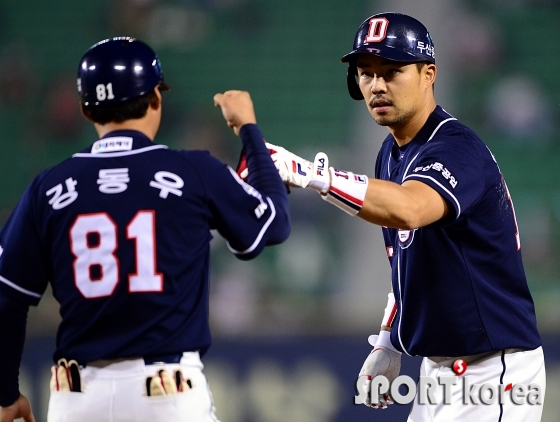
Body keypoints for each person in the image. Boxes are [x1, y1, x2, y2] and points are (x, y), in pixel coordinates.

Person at [226, 12, 546, 422]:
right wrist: (388, 342)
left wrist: (312, 175)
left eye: (392, 71)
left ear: (428, 73)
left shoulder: (455, 148)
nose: (376, 85)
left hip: (494, 371)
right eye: (366, 72)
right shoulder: (392, 152)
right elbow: (406, 261)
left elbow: (409, 209)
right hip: (439, 372)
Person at [0, 37, 290, 422]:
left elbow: (7, 300)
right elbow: (273, 224)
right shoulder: (194, 171)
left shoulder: (49, 187)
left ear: (87, 110)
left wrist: (5, 394)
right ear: (156, 99)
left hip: (76, 400)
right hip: (166, 396)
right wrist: (249, 129)